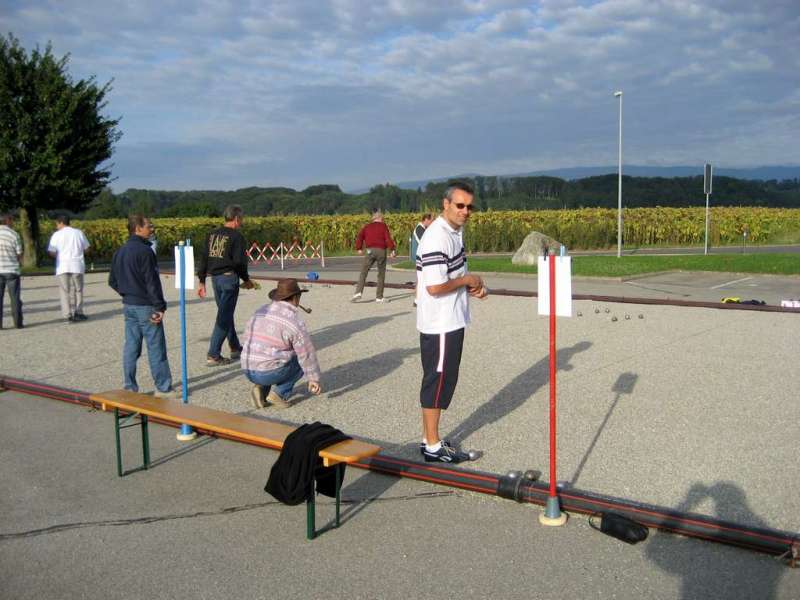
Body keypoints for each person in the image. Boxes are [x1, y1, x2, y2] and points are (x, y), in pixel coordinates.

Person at [416, 182, 488, 463]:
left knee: (443, 378)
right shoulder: (437, 237)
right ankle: (433, 446)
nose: (466, 211)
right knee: (438, 380)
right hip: (441, 322)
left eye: (470, 206)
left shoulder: (454, 232)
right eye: (460, 205)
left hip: (450, 318)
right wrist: (467, 280)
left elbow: (452, 273)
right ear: (445, 204)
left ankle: (429, 439)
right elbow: (435, 286)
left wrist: (473, 286)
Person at [108, 215, 175, 398]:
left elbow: (112, 280)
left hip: (129, 304)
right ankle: (163, 387)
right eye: (149, 226)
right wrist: (159, 306)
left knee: (131, 346)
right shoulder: (146, 252)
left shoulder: (119, 251)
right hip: (146, 305)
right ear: (137, 228)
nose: (152, 229)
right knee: (156, 346)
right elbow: (152, 282)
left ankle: (129, 386)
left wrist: (126, 293)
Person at [240, 278, 322, 409]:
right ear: (296, 297)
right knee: (298, 360)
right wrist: (313, 378)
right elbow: (306, 354)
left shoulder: (261, 310)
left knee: (270, 354)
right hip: (267, 372)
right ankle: (280, 394)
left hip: (247, 367)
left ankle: (261, 390)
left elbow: (245, 339)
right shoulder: (294, 321)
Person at [196, 205, 254, 366]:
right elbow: (239, 262)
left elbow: (204, 258)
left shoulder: (211, 235)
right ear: (236, 219)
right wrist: (246, 279)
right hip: (229, 279)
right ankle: (213, 354)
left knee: (225, 313)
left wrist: (201, 281)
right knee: (224, 316)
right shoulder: (237, 237)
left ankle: (235, 347)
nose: (242, 222)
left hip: (215, 279)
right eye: (241, 219)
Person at [47, 214, 91, 323]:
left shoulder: (56, 235)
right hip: (77, 264)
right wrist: (80, 253)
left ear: (61, 222)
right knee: (78, 290)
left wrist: (59, 257)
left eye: (57, 224)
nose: (56, 226)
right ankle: (78, 312)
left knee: (65, 291)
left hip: (62, 265)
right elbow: (87, 248)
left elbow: (51, 251)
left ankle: (67, 315)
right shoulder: (78, 233)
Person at [352, 209, 396, 303]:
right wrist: (392, 249)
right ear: (379, 218)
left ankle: (358, 292)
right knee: (381, 274)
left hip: (369, 251)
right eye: (382, 218)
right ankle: (379, 297)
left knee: (364, 272)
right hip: (381, 251)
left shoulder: (367, 227)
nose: (383, 220)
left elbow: (360, 236)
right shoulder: (383, 226)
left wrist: (359, 248)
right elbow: (387, 238)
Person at [0, 213, 24, 329]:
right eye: (12, 220)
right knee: (15, 297)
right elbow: (19, 253)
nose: (13, 223)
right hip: (11, 270)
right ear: (8, 221)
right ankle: (18, 323)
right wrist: (19, 263)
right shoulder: (14, 234)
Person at [410, 213, 433, 307]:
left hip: (421, 256)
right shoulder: (420, 229)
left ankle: (419, 299)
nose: (432, 223)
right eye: (431, 220)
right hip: (419, 257)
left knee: (422, 278)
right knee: (421, 278)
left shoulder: (423, 229)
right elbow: (424, 242)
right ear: (426, 219)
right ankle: (417, 299)